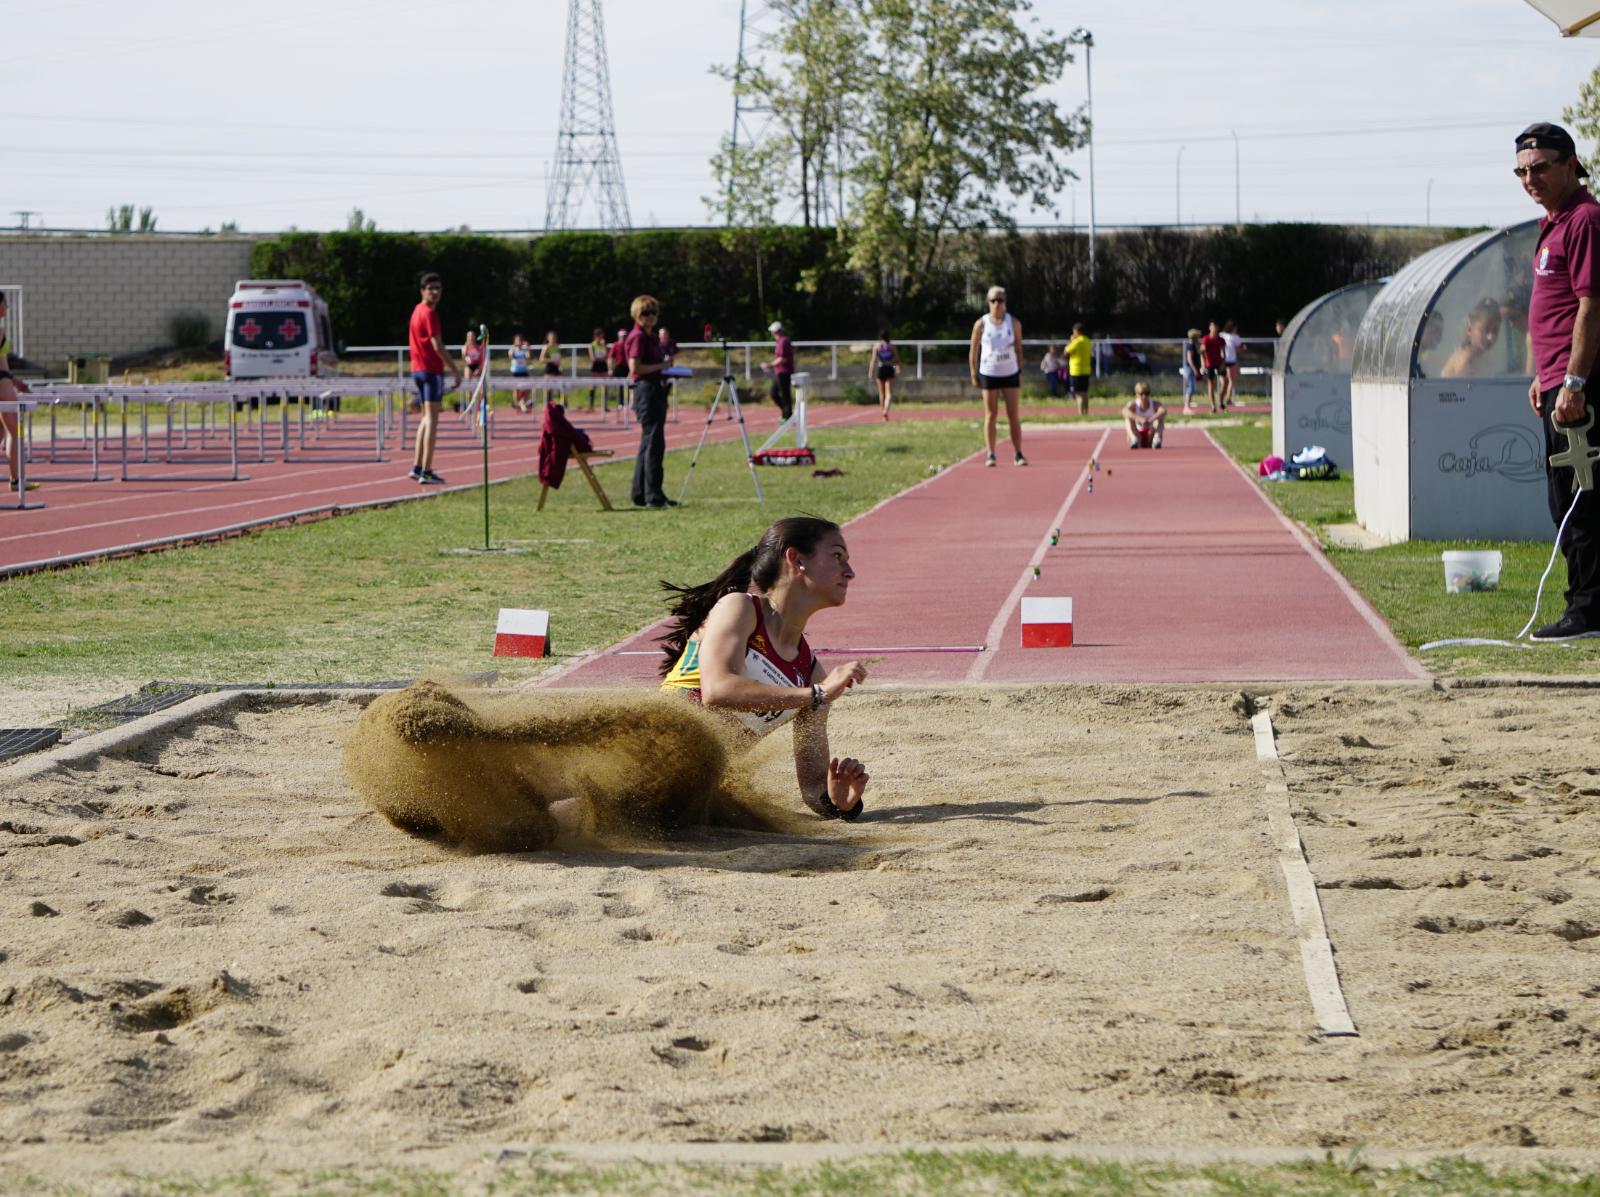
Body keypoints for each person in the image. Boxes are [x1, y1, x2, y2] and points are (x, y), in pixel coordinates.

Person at [659, 516, 870, 819]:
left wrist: (840, 803)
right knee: (592, 800)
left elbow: (813, 790)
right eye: (837, 556)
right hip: (653, 751)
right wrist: (814, 695)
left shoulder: (811, 675)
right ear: (796, 559)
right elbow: (717, 690)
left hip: (691, 790)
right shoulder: (740, 608)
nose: (849, 572)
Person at [1518, 120, 1600, 641]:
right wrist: (1542, 375)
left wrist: (1574, 379)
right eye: (1521, 171)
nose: (1530, 178)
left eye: (1540, 168)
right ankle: (1584, 604)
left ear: (1570, 164)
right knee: (1562, 498)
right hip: (1554, 383)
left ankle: (1589, 610)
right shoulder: (1553, 222)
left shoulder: (1585, 219)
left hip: (1579, 388)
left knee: (1583, 499)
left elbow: (1592, 304)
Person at [407, 273, 461, 485]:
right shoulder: (428, 313)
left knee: (425, 418)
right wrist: (455, 370)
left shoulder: (416, 311)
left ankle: (417, 466)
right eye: (431, 288)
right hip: (429, 370)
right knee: (432, 420)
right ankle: (426, 471)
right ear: (422, 290)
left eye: (438, 288)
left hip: (418, 370)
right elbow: (437, 346)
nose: (435, 293)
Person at [625, 294, 676, 508]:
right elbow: (634, 367)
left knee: (649, 443)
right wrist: (661, 367)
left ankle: (641, 493)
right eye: (646, 313)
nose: (651, 317)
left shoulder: (651, 336)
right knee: (654, 443)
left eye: (654, 312)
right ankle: (652, 495)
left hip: (656, 389)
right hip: (647, 391)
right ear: (637, 314)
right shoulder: (638, 337)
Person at [969, 287, 1028, 466]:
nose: (997, 304)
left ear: (1005, 303)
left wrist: (1020, 368)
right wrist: (973, 372)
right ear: (988, 302)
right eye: (993, 300)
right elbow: (974, 350)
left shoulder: (1014, 323)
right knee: (991, 414)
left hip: (1010, 372)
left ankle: (1018, 453)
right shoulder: (981, 324)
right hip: (989, 372)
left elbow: (1018, 347)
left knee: (1013, 415)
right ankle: (991, 453)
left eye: (1000, 300)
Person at [0, 292, 34, 493]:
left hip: (5, 379)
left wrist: (15, 382)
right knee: (14, 430)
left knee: (2, 431)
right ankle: (16, 479)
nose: (7, 307)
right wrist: (10, 381)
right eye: (5, 303)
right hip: (1, 382)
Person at [1439, 298, 1504, 378]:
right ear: (1469, 330)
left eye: (1495, 331)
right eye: (1485, 330)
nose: (1491, 337)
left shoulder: (1483, 357)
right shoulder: (1464, 362)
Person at [1122, 381, 1166, 449]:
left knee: (1160, 419)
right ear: (1137, 394)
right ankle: (1134, 440)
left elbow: (1163, 411)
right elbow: (1124, 411)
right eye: (1141, 394)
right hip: (1138, 434)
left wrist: (1151, 419)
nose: (1144, 396)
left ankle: (1156, 440)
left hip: (1151, 435)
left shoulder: (1154, 404)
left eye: (1146, 393)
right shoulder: (1133, 404)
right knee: (1128, 419)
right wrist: (1139, 419)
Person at [870, 331, 901, 420]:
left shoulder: (877, 346)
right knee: (889, 393)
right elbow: (897, 359)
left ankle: (883, 412)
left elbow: (873, 360)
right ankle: (886, 410)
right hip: (890, 368)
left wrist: (871, 372)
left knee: (881, 393)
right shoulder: (891, 346)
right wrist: (897, 367)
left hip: (880, 369)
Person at [768, 320, 795, 420]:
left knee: (784, 394)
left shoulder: (784, 341)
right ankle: (786, 412)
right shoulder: (780, 341)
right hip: (780, 372)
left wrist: (770, 365)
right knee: (774, 393)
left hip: (784, 372)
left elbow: (782, 358)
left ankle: (787, 415)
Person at [1064, 322, 1092, 416]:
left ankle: (1080, 414)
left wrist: (1071, 341)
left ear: (1077, 331)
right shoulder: (1088, 341)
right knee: (1085, 393)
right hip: (1086, 370)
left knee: (1078, 394)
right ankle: (1086, 412)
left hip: (1076, 371)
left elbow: (1066, 353)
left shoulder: (1077, 341)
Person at [1200, 321, 1226, 413]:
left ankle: (1221, 402)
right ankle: (1213, 406)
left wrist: (1223, 363)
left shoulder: (1221, 340)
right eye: (1212, 327)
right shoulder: (1206, 339)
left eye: (1215, 327)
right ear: (1210, 328)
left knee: (1224, 383)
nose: (1214, 329)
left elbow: (1223, 353)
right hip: (1210, 363)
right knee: (1211, 384)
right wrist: (1203, 365)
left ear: (1218, 328)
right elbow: (1202, 352)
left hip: (1219, 362)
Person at [1220, 319, 1243, 408]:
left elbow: (1239, 347)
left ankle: (1227, 397)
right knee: (1229, 380)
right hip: (1226, 360)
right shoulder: (1231, 336)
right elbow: (1240, 347)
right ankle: (1226, 398)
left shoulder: (1223, 335)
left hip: (1227, 360)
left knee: (1228, 380)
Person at [507, 333, 532, 413]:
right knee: (516, 389)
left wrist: (528, 348)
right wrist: (515, 349)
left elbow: (528, 356)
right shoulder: (512, 348)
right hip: (516, 371)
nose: (519, 342)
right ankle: (517, 405)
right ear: (515, 341)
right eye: (518, 340)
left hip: (524, 371)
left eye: (520, 340)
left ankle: (523, 402)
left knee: (528, 388)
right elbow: (510, 356)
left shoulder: (525, 348)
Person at [1182, 328, 1204, 413]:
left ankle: (1188, 405)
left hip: (1192, 368)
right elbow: (1189, 359)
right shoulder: (1190, 345)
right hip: (1190, 368)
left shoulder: (1193, 345)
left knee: (1192, 386)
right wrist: (1195, 370)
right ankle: (1186, 407)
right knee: (1190, 387)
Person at [588, 327, 609, 409]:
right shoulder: (592, 345)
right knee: (593, 385)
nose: (602, 337)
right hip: (596, 366)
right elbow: (593, 358)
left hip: (603, 365)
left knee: (605, 385)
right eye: (600, 336)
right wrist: (600, 358)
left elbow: (607, 356)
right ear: (596, 336)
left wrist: (604, 346)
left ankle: (604, 405)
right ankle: (591, 405)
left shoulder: (604, 344)